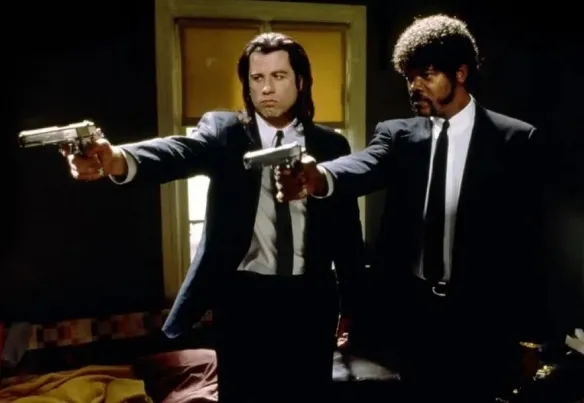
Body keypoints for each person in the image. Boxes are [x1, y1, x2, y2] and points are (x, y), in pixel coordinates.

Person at [63, 32, 364, 402]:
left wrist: (353, 304)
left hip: (311, 299)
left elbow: (346, 232)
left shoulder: (332, 145)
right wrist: (116, 159)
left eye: (279, 76)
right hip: (245, 298)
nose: (266, 88)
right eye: (257, 78)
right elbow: (177, 152)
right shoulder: (224, 132)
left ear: (300, 82)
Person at [276, 14, 548, 401]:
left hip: (483, 318)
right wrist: (318, 176)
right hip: (416, 316)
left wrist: (530, 338)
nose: (414, 86)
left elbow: (528, 243)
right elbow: (365, 165)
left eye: (427, 75)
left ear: (460, 73)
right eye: (409, 76)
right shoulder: (398, 135)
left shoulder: (513, 140)